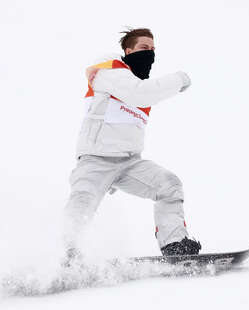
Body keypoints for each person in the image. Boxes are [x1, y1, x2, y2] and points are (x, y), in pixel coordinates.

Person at [62, 28, 201, 266]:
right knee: (82, 201)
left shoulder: (136, 82)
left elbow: (139, 96)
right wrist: (179, 79)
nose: (150, 54)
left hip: (129, 162)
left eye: (153, 50)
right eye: (144, 48)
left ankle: (175, 245)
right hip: (96, 159)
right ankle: (64, 255)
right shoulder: (109, 70)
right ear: (128, 51)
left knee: (169, 185)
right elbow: (140, 95)